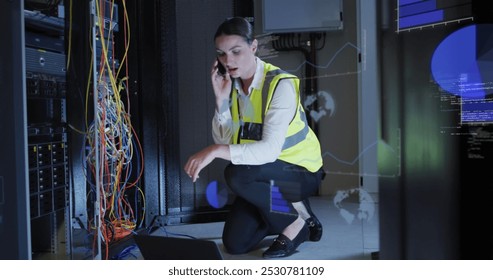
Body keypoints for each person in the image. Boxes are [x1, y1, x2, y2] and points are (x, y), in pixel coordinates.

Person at [184, 17, 324, 258]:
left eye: (236, 51)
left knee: (237, 173)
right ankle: (299, 212)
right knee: (235, 243)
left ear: (253, 47)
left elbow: (268, 151)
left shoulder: (281, 84)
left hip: (300, 171)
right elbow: (226, 138)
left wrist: (214, 151)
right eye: (221, 53)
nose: (228, 61)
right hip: (263, 175)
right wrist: (221, 101)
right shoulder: (234, 87)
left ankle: (295, 225)